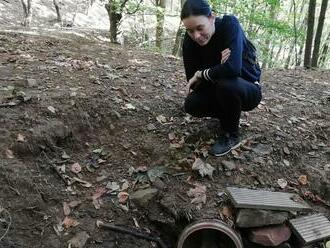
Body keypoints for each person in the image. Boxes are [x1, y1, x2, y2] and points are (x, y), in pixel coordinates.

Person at [181, 0, 262, 156]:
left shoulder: (229, 25)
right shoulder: (189, 41)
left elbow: (233, 68)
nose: (196, 36)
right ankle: (228, 113)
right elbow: (194, 83)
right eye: (190, 30)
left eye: (200, 28)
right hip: (218, 87)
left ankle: (231, 134)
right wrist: (219, 67)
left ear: (211, 18)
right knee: (191, 103)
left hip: (247, 89)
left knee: (227, 84)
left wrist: (203, 73)